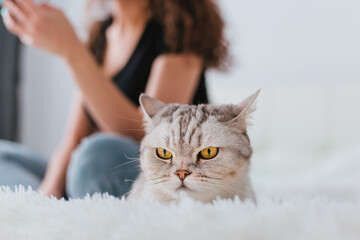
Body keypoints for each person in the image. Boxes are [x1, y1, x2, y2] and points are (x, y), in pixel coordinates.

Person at [0, 0, 228, 199]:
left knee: (96, 155)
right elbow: (74, 138)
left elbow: (149, 136)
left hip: (155, 175)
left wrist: (72, 51)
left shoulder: (179, 30)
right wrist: (46, 196)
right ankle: (73, 199)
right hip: (88, 170)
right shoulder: (102, 33)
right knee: (4, 156)